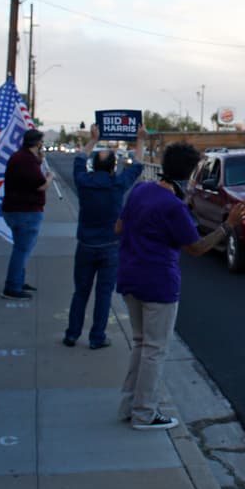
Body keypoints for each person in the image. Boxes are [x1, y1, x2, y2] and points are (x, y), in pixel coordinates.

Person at [115, 141, 245, 430]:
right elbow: (197, 248)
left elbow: (119, 227)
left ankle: (129, 405)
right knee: (154, 349)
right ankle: (144, 413)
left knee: (140, 344)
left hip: (129, 276)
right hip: (158, 284)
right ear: (189, 174)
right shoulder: (173, 207)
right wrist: (228, 226)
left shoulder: (141, 190)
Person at [65, 124, 149, 349]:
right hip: (110, 246)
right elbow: (138, 165)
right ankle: (97, 337)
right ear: (114, 168)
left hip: (85, 244)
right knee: (104, 295)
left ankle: (72, 334)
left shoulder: (84, 182)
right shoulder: (118, 184)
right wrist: (140, 140)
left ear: (95, 166)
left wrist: (93, 139)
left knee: (80, 291)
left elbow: (79, 160)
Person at [1, 128, 54, 300]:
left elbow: (27, 179)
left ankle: (18, 280)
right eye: (42, 142)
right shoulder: (26, 161)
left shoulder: (21, 157)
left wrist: (39, 162)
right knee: (22, 250)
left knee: (21, 248)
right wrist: (50, 178)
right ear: (38, 143)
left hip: (16, 209)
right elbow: (40, 185)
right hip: (26, 211)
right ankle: (12, 287)